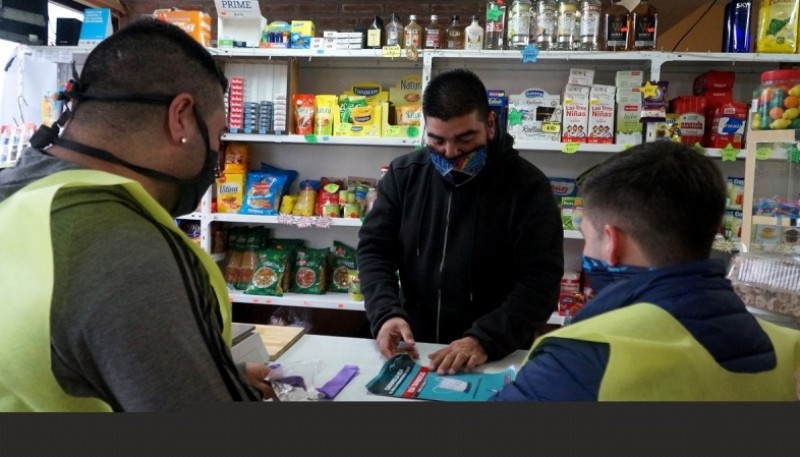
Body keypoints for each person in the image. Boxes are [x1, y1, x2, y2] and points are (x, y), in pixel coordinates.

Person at [0, 19, 272, 411]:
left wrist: (217, 372)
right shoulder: (126, 250)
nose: (217, 151)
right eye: (218, 134)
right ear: (180, 117)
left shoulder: (18, 196)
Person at [492, 141, 800, 401]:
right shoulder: (789, 351)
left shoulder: (583, 356)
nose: (586, 250)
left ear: (612, 243)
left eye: (587, 237)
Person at [357, 69, 564, 375]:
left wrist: (484, 340)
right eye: (437, 140)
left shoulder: (527, 187)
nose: (451, 153)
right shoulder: (404, 176)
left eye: (465, 139)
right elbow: (374, 250)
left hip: (494, 356)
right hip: (416, 349)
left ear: (490, 125)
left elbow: (540, 282)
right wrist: (386, 313)